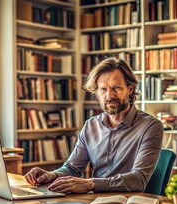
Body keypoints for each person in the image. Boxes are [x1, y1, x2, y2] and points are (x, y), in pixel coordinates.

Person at [25, 57, 163, 194]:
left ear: (130, 89)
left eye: (116, 88)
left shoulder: (150, 126)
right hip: (94, 202)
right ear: (97, 93)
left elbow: (139, 179)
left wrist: (90, 184)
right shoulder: (91, 125)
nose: (109, 95)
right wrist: (51, 175)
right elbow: (72, 168)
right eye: (103, 89)